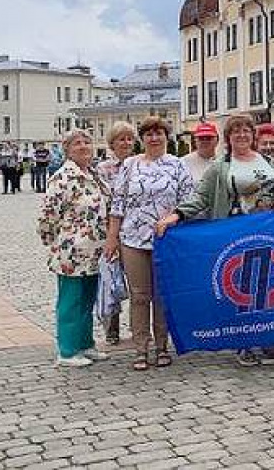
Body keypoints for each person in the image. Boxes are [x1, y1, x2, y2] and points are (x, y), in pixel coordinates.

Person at [158, 115, 274, 367]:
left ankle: (271, 342)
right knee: (243, 290)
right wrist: (176, 216)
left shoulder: (269, 162)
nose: (242, 135)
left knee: (269, 288)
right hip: (235, 235)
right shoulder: (220, 168)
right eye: (236, 132)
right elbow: (200, 199)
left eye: (246, 131)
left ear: (252, 135)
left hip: (267, 233)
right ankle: (244, 344)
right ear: (228, 138)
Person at [103, 116, 196, 371]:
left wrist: (175, 220)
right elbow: (118, 203)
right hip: (133, 239)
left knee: (161, 296)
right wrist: (112, 237)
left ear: (167, 137)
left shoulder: (177, 165)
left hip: (166, 238)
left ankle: (162, 346)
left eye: (159, 133)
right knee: (139, 296)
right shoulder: (130, 165)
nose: (154, 138)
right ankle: (141, 347)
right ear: (142, 139)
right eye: (148, 134)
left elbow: (188, 202)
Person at [38, 129, 110, 367]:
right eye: (77, 143)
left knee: (87, 299)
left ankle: (85, 343)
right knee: (71, 301)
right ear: (67, 149)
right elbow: (49, 214)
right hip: (71, 250)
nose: (83, 146)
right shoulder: (63, 178)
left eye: (86, 142)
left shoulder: (93, 174)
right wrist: (52, 241)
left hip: (94, 249)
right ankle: (67, 350)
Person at [96, 121, 138, 346]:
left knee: (137, 282)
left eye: (129, 139)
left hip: (136, 231)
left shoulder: (140, 164)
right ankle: (112, 328)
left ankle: (137, 327)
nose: (126, 143)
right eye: (121, 139)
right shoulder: (103, 169)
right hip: (112, 231)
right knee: (112, 279)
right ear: (112, 144)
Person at [182, 122, 219, 188]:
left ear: (217, 141)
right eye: (201, 138)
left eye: (209, 138)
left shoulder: (224, 162)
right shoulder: (183, 163)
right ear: (195, 141)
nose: (205, 141)